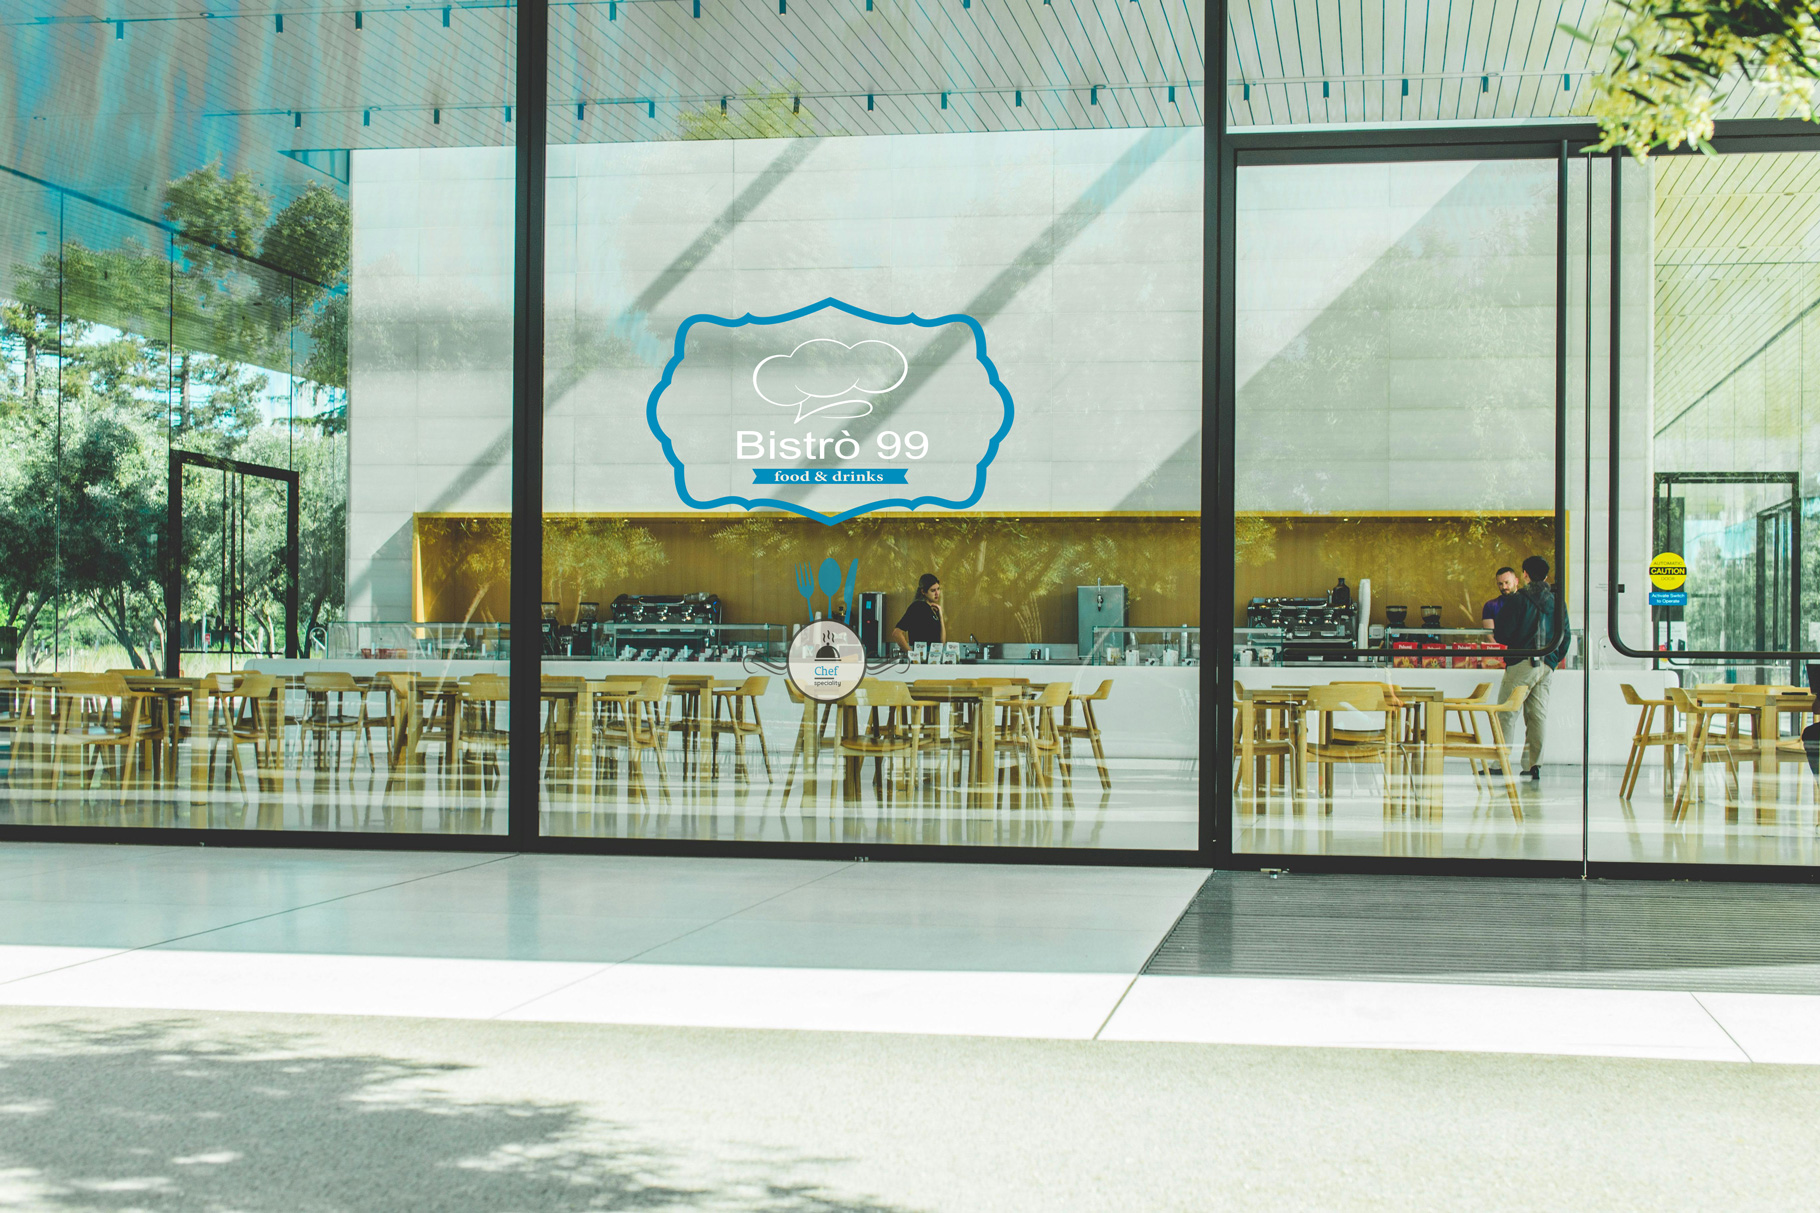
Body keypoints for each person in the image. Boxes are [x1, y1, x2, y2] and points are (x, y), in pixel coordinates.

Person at [1491, 555, 1566, 780]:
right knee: (1537, 716)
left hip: (1521, 663)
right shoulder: (1557, 602)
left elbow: (1502, 633)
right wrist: (1553, 661)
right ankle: (1534, 765)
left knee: (1507, 713)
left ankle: (1500, 763)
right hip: (1546, 664)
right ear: (1546, 576)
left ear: (1524, 574)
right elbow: (1566, 636)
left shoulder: (1518, 600)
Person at [890, 573, 945, 653]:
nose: (937, 593)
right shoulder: (917, 607)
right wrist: (912, 654)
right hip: (921, 655)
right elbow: (896, 634)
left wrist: (941, 616)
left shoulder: (934, 609)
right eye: (933, 590)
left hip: (935, 655)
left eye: (938, 589)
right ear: (923, 591)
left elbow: (942, 643)